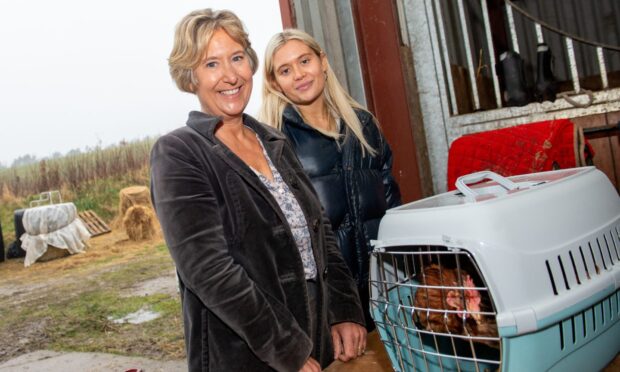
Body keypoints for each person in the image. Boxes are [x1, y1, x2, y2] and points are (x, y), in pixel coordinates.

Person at [150, 9, 367, 372]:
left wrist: (344, 309)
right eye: (211, 64)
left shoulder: (273, 140)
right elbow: (208, 270)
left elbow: (320, 232)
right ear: (191, 78)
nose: (231, 75)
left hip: (314, 339)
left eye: (237, 58)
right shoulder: (179, 153)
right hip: (247, 354)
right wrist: (287, 349)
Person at [259, 29, 401, 330]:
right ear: (275, 82)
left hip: (383, 292)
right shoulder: (276, 142)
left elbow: (392, 204)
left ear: (322, 61)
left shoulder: (363, 125)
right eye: (285, 70)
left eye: (305, 61)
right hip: (327, 306)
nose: (299, 74)